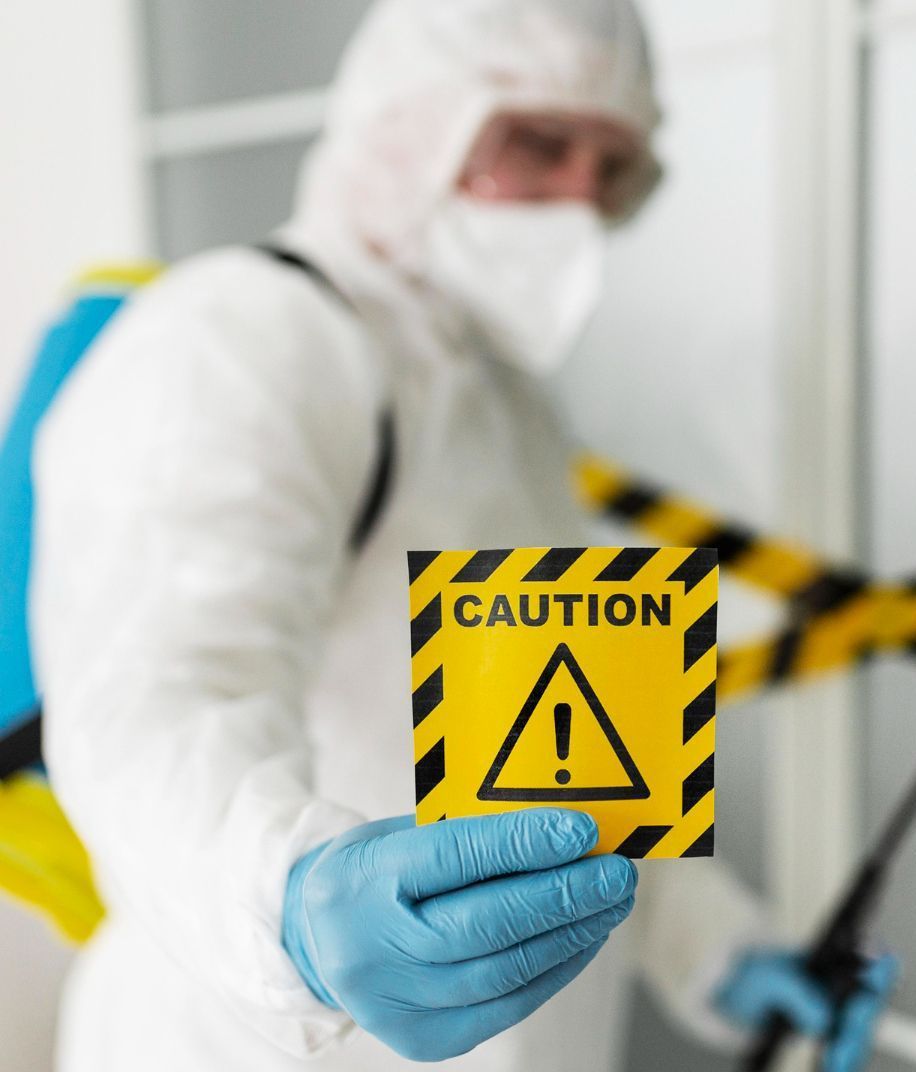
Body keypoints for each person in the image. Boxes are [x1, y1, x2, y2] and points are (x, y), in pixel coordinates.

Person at [29, 1, 896, 1069]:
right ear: (412, 120)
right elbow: (152, 692)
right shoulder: (242, 337)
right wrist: (288, 897)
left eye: (612, 167)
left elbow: (574, 761)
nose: (579, 195)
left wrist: (724, 953)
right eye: (536, 141)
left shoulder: (512, 406)